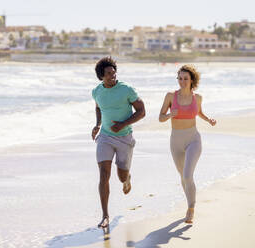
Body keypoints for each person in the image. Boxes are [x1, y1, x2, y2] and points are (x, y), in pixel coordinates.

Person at [91, 57, 145, 228]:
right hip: (105, 137)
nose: (112, 77)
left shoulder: (126, 90)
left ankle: (127, 178)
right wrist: (98, 124)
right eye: (108, 74)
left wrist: (123, 124)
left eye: (114, 73)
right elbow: (98, 107)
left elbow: (142, 111)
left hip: (124, 138)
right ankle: (105, 215)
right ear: (101, 76)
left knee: (121, 176)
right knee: (104, 174)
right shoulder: (96, 92)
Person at [159, 64, 216, 224]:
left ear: (192, 80)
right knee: (183, 177)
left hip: (193, 139)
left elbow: (199, 112)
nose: (182, 81)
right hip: (176, 141)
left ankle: (191, 209)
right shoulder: (170, 96)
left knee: (187, 175)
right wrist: (171, 114)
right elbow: (160, 117)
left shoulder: (197, 98)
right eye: (180, 78)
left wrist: (208, 120)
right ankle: (190, 202)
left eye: (186, 78)